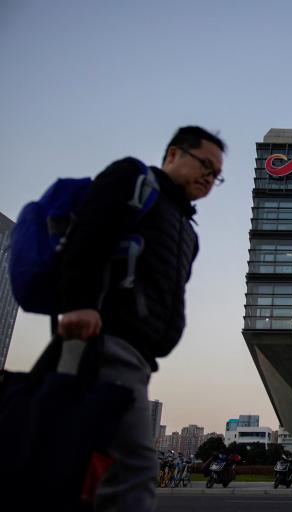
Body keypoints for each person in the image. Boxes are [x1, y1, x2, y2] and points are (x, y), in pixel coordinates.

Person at [55, 126, 226, 511]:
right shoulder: (132, 180)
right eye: (204, 165)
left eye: (216, 175)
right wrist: (79, 302)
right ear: (172, 155)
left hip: (138, 357)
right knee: (133, 466)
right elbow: (88, 232)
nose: (209, 177)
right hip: (102, 341)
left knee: (87, 464)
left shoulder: (186, 229)